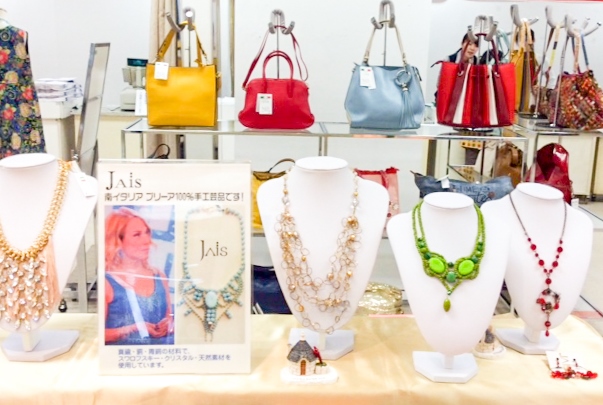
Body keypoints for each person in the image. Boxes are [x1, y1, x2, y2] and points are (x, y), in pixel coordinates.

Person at [104, 207, 174, 345]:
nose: (147, 240)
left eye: (147, 233)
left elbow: (169, 315)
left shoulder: (159, 275)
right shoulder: (107, 281)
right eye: (137, 235)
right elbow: (99, 335)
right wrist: (133, 329)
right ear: (117, 240)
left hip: (163, 354)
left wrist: (168, 323)